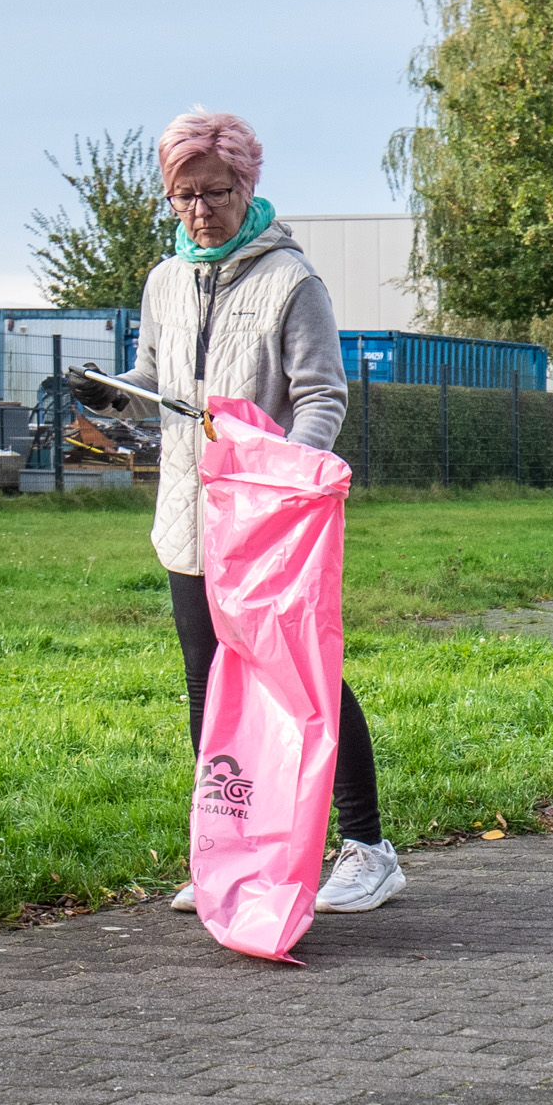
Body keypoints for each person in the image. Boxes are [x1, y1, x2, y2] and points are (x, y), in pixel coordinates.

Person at [79, 109, 405, 915]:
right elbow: (156, 378)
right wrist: (110, 396)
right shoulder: (164, 281)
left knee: (304, 679)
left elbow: (321, 395)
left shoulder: (290, 281)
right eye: (182, 196)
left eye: (214, 192)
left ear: (247, 184)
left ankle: (367, 847)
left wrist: (286, 475)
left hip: (266, 520)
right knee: (210, 683)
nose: (199, 210)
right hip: (191, 521)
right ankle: (228, 854)